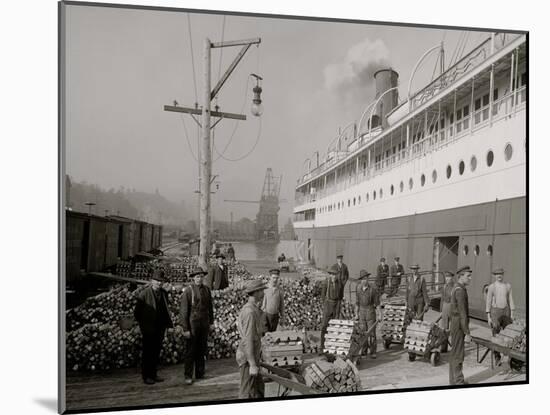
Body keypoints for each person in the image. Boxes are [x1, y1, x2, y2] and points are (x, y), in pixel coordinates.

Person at [134, 269, 173, 384]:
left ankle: (154, 374)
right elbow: (137, 313)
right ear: (151, 281)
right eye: (156, 281)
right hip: (148, 329)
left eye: (161, 281)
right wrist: (144, 326)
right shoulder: (144, 294)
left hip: (160, 328)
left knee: (156, 352)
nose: (159, 283)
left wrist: (169, 325)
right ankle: (146, 376)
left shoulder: (164, 293)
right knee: (147, 353)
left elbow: (166, 310)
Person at [179, 268, 214, 385]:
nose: (199, 278)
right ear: (193, 278)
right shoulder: (188, 291)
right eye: (197, 277)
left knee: (201, 349)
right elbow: (183, 312)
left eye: (201, 276)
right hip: (192, 324)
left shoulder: (207, 290)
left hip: (204, 323)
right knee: (191, 351)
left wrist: (211, 323)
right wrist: (185, 329)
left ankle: (200, 373)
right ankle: (188, 375)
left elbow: (210, 308)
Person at [236, 279, 267, 399]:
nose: (263, 293)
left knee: (258, 390)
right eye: (262, 290)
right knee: (247, 392)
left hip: (252, 355)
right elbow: (247, 340)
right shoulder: (249, 312)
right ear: (256, 292)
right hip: (247, 357)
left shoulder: (253, 309)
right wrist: (252, 364)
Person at [486, 268, 515, 366]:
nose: (499, 276)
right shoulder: (491, 287)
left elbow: (511, 299)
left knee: (509, 335)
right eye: (497, 274)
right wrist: (488, 317)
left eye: (501, 274)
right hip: (495, 312)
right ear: (494, 275)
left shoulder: (508, 286)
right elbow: (488, 301)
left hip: (506, 311)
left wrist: (512, 314)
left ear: (503, 274)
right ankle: (497, 357)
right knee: (495, 335)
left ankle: (510, 357)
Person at [449, 265, 473, 385]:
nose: (470, 278)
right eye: (468, 276)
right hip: (459, 325)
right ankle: (458, 383)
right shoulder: (460, 291)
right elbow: (463, 314)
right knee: (458, 354)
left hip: (455, 323)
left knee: (454, 352)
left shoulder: (455, 288)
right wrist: (467, 333)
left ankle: (453, 381)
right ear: (461, 276)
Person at [355, 270, 382, 358]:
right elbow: (357, 303)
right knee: (363, 333)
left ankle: (373, 351)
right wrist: (356, 314)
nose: (364, 281)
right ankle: (364, 350)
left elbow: (377, 303)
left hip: (370, 312)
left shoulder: (372, 290)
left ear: (368, 279)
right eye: (363, 279)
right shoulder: (358, 289)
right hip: (362, 313)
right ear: (361, 280)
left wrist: (380, 314)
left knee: (372, 333)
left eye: (366, 279)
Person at [320, 265, 342, 351]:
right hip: (328, 305)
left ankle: (332, 346)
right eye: (332, 274)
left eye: (335, 274)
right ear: (329, 275)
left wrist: (338, 308)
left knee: (335, 326)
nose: (333, 276)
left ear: (337, 275)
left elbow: (340, 297)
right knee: (325, 326)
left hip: (336, 305)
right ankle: (322, 347)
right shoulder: (326, 282)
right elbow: (322, 296)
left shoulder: (339, 284)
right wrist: (325, 306)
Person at [439, 271, 455, 353]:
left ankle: (454, 347)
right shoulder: (444, 286)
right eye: (446, 277)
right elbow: (442, 298)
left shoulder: (455, 287)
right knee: (443, 328)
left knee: (453, 328)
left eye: (449, 277)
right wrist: (441, 310)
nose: (447, 279)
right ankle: (443, 347)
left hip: (452, 307)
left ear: (452, 278)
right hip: (445, 306)